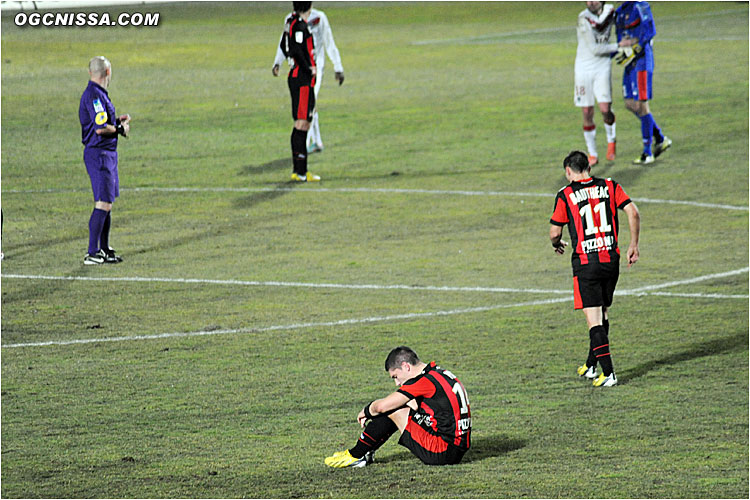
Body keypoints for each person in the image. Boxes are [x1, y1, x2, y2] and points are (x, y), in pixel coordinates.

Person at [549, 151, 640, 387]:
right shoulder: (610, 185)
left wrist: (556, 244)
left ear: (568, 171)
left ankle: (609, 373)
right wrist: (633, 245)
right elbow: (633, 211)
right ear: (588, 166)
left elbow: (555, 232)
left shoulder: (566, 194)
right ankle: (591, 364)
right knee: (602, 313)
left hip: (586, 264)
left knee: (594, 320)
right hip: (611, 260)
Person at [324, 346, 471, 468]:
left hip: (443, 451)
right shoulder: (438, 373)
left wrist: (366, 411)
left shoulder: (423, 381)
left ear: (406, 366)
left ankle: (357, 454)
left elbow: (381, 407)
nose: (397, 383)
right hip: (457, 445)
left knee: (394, 408)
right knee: (401, 405)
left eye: (395, 376)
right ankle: (363, 452)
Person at [273, 3, 344, 154]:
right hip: (300, 68)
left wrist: (338, 66)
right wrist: (277, 62)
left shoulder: (319, 18)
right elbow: (284, 42)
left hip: (314, 68)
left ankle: (303, 146)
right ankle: (316, 141)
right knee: (309, 104)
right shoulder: (291, 21)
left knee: (308, 104)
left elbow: (329, 42)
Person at [78, 56, 130, 265]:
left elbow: (100, 122)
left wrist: (116, 121)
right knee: (102, 203)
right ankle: (92, 252)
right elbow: (100, 129)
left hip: (106, 154)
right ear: (107, 72)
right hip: (99, 154)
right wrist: (119, 129)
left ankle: (104, 248)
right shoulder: (95, 96)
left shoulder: (97, 95)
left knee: (107, 203)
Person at [613, 1, 671, 165]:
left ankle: (647, 152)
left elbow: (650, 31)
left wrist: (635, 47)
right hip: (629, 62)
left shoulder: (640, 6)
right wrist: (622, 47)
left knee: (642, 105)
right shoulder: (619, 13)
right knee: (630, 104)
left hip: (642, 62)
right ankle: (659, 137)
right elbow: (620, 36)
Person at [278, 1, 320, 182]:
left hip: (298, 77)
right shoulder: (300, 26)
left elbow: (284, 46)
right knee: (302, 124)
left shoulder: (291, 23)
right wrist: (308, 67)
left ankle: (300, 171)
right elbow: (295, 48)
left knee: (304, 122)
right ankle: (300, 171)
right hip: (302, 80)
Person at [574, 1, 618, 167]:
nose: (591, 2)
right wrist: (619, 46)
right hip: (583, 69)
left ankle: (611, 140)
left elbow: (622, 26)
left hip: (602, 67)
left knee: (605, 109)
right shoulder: (583, 18)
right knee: (587, 111)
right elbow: (594, 48)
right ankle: (592, 154)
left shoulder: (611, 11)